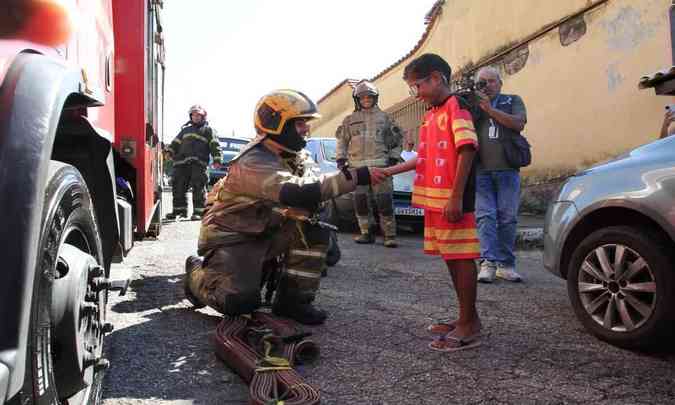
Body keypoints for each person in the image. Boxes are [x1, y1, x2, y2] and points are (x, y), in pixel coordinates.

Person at [183, 89, 376, 325]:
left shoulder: (298, 155)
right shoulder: (252, 160)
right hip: (236, 236)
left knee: (316, 227)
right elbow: (297, 192)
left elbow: (314, 191)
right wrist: (358, 176)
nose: (306, 128)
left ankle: (294, 301)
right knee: (239, 302)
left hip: (269, 226)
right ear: (277, 124)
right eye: (300, 123)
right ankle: (196, 274)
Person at [373, 53, 482, 352]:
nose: (416, 94)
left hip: (452, 199)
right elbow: (424, 156)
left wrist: (456, 196)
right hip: (435, 200)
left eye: (416, 86)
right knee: (451, 259)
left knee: (461, 259)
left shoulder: (455, 106)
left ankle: (470, 325)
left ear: (436, 78)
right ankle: (466, 317)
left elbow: (468, 149)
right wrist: (388, 170)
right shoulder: (432, 113)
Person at [472, 66, 527, 283]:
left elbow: (518, 123)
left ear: (500, 83)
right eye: (482, 82)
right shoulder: (472, 104)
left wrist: (490, 110)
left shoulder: (512, 100)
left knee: (508, 218)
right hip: (481, 170)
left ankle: (506, 264)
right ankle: (487, 263)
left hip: (508, 169)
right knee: (485, 217)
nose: (487, 85)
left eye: (491, 81)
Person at [336, 80, 403, 247]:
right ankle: (366, 233)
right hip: (357, 169)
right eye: (363, 98)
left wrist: (394, 158)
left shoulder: (385, 118)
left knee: (384, 201)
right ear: (357, 100)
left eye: (369, 97)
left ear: (375, 98)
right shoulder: (349, 120)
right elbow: (342, 141)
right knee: (360, 202)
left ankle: (389, 236)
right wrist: (340, 159)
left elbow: (397, 140)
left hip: (381, 167)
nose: (366, 100)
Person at [166, 105, 223, 221]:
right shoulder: (185, 130)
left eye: (198, 115)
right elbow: (175, 143)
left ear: (203, 117)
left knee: (199, 187)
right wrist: (169, 152)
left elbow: (215, 145)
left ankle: (198, 212)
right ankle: (179, 211)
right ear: (190, 116)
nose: (196, 117)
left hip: (199, 164)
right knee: (178, 186)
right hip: (181, 163)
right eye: (193, 115)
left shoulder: (208, 130)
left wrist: (217, 159)